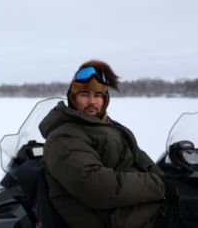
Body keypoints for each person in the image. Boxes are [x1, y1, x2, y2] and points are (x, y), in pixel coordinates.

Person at [39, 60, 194, 228]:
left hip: (136, 208)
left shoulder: (106, 126)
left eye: (98, 95)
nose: (92, 101)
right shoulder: (64, 138)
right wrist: (159, 186)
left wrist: (165, 180)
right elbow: (96, 187)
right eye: (84, 94)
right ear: (73, 98)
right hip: (119, 219)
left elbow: (137, 156)